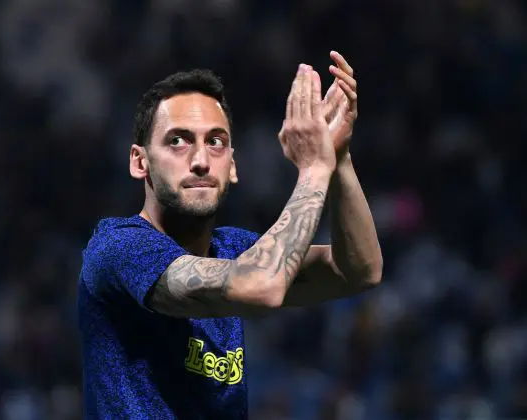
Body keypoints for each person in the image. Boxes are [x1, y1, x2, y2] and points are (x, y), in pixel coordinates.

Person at [78, 51, 383, 419]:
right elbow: (259, 287)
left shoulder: (233, 248)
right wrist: (315, 169)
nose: (201, 160)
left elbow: (361, 270)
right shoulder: (120, 248)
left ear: (233, 165)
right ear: (140, 162)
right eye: (178, 141)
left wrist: (339, 158)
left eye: (216, 141)